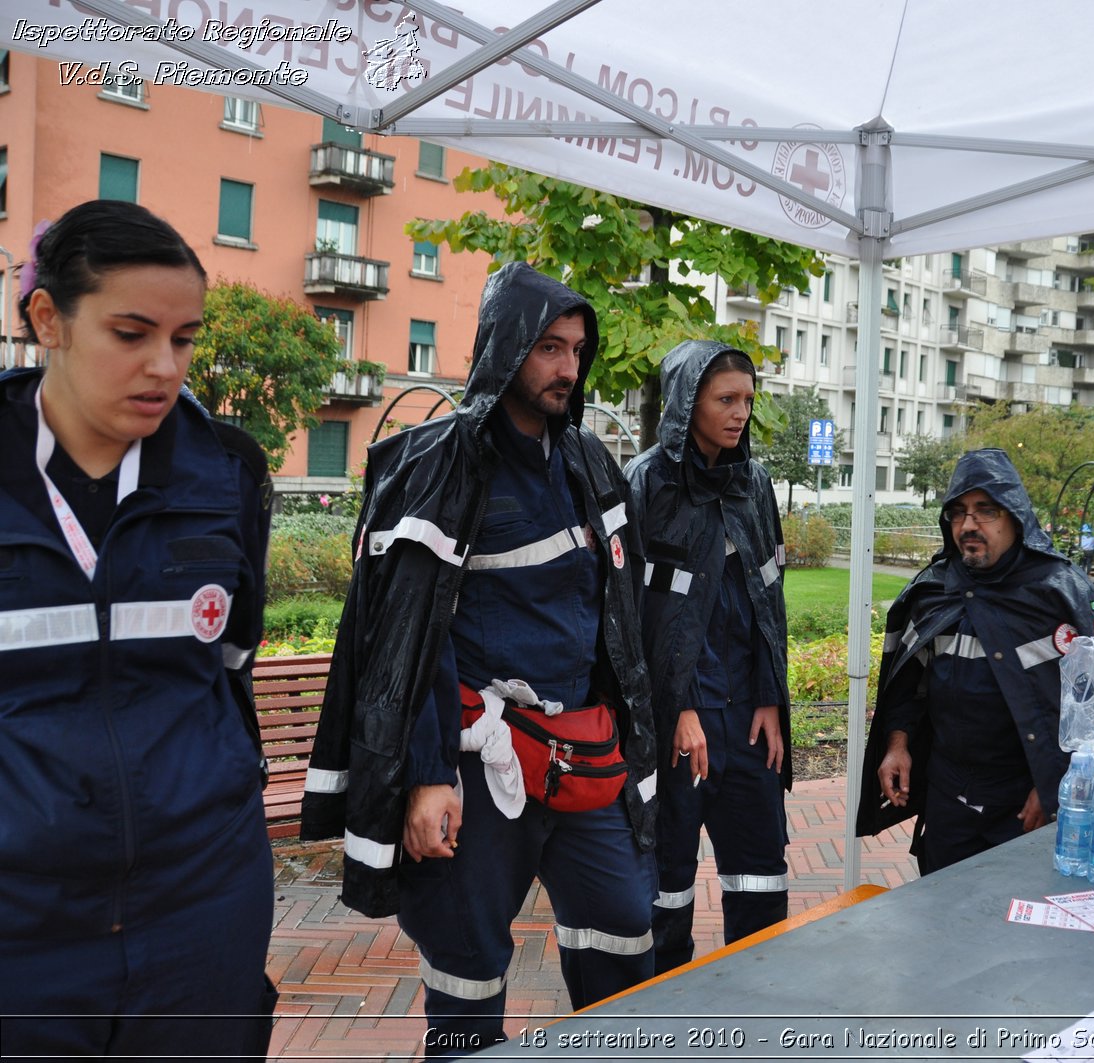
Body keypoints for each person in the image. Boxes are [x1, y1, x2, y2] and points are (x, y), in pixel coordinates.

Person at [301, 263, 657, 1055]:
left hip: (581, 751)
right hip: (475, 761)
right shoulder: (442, 461)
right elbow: (410, 636)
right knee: (468, 968)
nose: (568, 367)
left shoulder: (588, 461)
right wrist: (427, 773)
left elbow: (615, 617)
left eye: (576, 349)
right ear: (505, 347)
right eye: (549, 348)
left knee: (626, 927)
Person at [0, 201, 276, 1058]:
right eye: (131, 332)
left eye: (185, 338)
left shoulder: (226, 471)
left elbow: (230, 663)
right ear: (49, 318)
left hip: (202, 912)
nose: (165, 366)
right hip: (22, 934)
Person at [856, 449, 1094, 874]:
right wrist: (897, 745)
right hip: (948, 794)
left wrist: (1050, 786)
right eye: (958, 513)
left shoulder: (1060, 592)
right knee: (943, 914)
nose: (969, 525)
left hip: (1023, 800)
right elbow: (908, 684)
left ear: (1015, 517)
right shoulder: (934, 590)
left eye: (985, 511)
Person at [624, 341, 791, 973]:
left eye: (748, 399)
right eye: (726, 399)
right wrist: (680, 709)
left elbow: (768, 603)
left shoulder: (756, 485)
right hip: (680, 727)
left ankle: (754, 1002)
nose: (740, 412)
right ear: (686, 402)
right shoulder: (647, 484)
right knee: (668, 883)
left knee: (760, 877)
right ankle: (670, 1011)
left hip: (748, 718)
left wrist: (772, 697)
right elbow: (638, 619)